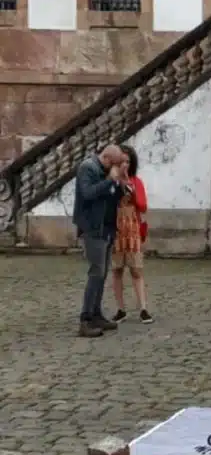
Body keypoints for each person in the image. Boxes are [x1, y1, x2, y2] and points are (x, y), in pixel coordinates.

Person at [72, 144, 128, 337]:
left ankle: (96, 314)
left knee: (102, 273)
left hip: (107, 228)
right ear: (106, 159)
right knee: (96, 272)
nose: (115, 167)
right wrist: (109, 180)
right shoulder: (88, 168)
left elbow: (117, 197)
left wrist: (120, 180)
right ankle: (85, 319)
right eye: (115, 164)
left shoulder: (106, 172)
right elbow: (88, 194)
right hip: (93, 228)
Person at [110, 145, 153, 325]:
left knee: (136, 268)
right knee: (117, 269)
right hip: (116, 227)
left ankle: (143, 308)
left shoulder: (136, 181)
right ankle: (121, 309)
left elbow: (143, 206)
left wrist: (133, 192)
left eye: (128, 161)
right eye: (122, 162)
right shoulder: (110, 181)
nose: (125, 165)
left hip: (132, 226)